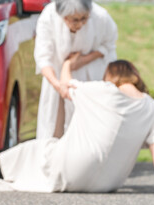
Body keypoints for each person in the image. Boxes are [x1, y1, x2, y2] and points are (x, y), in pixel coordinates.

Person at [0, 58, 154, 195]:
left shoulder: (105, 91)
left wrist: (69, 63)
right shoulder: (150, 106)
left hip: (73, 170)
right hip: (108, 183)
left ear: (112, 76)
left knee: (40, 148)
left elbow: (66, 86)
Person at [35, 0, 118, 139]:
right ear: (63, 17)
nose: (80, 24)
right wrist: (58, 84)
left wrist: (80, 61)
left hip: (90, 78)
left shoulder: (101, 16)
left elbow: (109, 45)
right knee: (54, 129)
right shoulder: (48, 17)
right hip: (57, 80)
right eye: (75, 20)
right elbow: (43, 58)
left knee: (90, 131)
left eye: (84, 18)